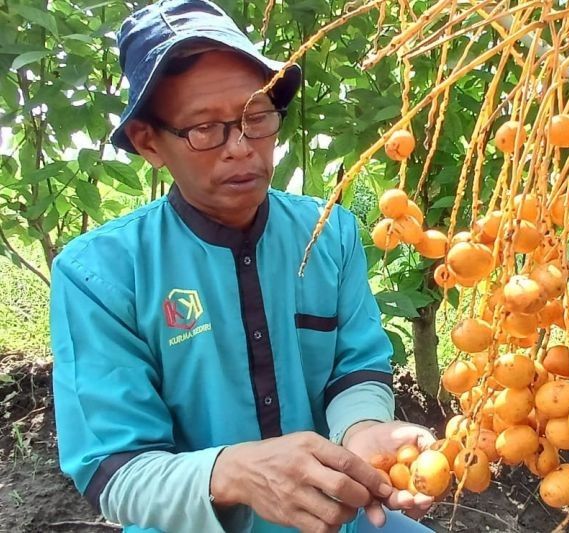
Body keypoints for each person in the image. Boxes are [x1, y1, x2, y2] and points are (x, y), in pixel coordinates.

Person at [50, 1, 436, 532]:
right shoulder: (99, 274)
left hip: (338, 513)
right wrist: (231, 473)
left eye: (257, 118)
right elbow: (113, 472)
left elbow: (355, 368)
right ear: (148, 141)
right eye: (206, 129)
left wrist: (362, 429)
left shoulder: (330, 235)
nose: (242, 148)